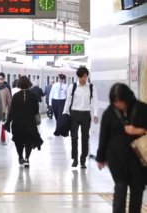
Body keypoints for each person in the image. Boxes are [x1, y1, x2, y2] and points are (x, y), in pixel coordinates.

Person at [96, 83, 147, 213]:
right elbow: (104, 136)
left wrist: (137, 130)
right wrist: (100, 157)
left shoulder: (142, 109)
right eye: (115, 102)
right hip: (117, 159)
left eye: (120, 101)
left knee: (137, 189)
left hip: (138, 158)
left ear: (127, 97)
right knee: (120, 187)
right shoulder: (109, 113)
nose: (118, 104)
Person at [62, 67, 98, 168]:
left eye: (86, 76)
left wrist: (95, 114)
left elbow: (95, 101)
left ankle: (83, 159)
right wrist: (64, 113)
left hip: (86, 114)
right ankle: (75, 159)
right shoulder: (72, 87)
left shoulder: (91, 87)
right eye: (83, 76)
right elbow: (68, 101)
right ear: (79, 76)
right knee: (74, 137)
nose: (84, 78)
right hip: (74, 114)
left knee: (85, 137)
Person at [4, 76, 43, 168]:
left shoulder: (16, 96)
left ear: (19, 85)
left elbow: (12, 111)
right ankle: (27, 159)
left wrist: (8, 122)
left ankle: (20, 157)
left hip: (18, 124)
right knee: (28, 141)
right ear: (29, 84)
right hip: (30, 123)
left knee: (19, 141)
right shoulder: (33, 96)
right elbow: (36, 110)